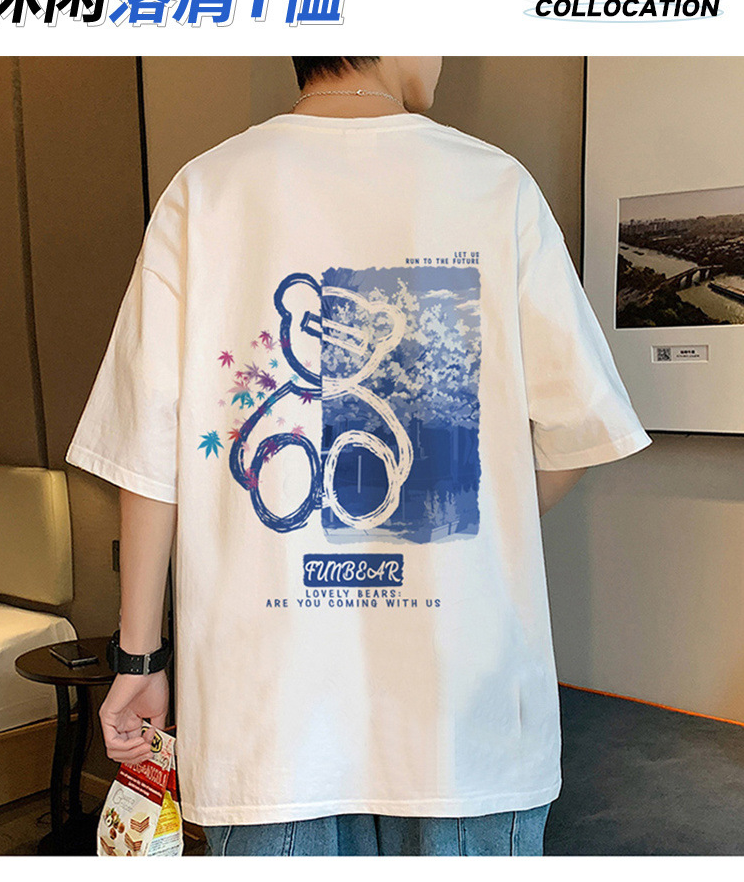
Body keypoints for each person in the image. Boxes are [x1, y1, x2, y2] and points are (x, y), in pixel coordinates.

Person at [65, 56, 652, 857]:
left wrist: (139, 656)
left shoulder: (202, 192)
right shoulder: (495, 186)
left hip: (267, 723)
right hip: (466, 720)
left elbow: (147, 456)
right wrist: (470, 516)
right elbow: (576, 430)